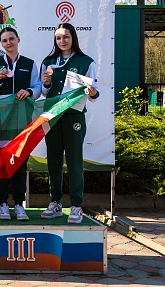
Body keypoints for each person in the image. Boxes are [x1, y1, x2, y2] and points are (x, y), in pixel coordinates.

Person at [39, 22, 99, 224]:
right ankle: (55, 202)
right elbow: (44, 92)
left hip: (74, 117)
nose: (62, 41)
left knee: (74, 161)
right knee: (53, 161)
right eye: (58, 38)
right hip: (53, 117)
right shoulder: (48, 62)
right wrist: (46, 83)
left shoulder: (86, 62)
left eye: (66, 37)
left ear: (73, 37)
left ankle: (76, 205)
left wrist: (92, 92)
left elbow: (94, 95)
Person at [0, 27, 42, 221]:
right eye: (4, 40)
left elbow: (37, 87)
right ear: (1, 43)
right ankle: (2, 204)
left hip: (21, 119)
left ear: (18, 39)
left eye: (11, 39)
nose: (8, 43)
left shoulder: (29, 64)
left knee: (20, 161)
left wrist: (29, 92)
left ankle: (19, 204)